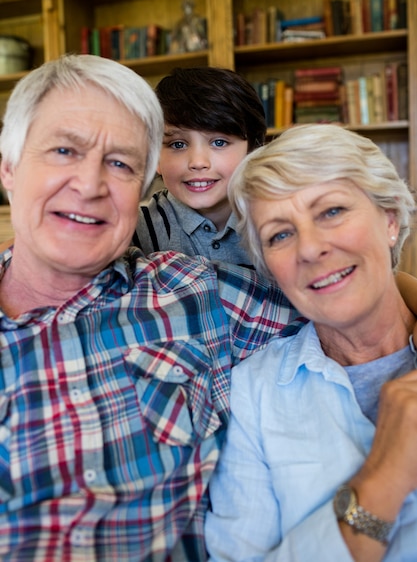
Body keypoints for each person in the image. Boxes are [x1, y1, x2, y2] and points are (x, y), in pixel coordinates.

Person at [0, 53, 307, 562]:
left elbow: (350, 301)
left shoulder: (192, 285)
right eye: (62, 150)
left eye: (120, 162)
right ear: (8, 168)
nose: (91, 185)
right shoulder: (145, 230)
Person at [206, 123, 417, 562]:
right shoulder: (252, 395)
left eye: (332, 211)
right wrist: (383, 476)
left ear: (390, 219)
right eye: (280, 235)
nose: (310, 248)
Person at [132, 66, 266, 267]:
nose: (198, 162)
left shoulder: (276, 219)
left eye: (219, 142)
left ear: (253, 150)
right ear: (154, 156)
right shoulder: (135, 230)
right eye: (178, 144)